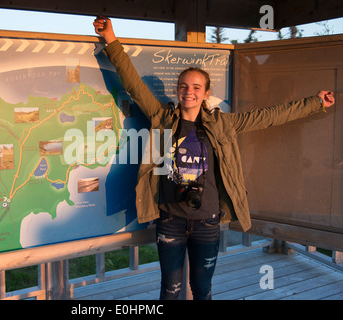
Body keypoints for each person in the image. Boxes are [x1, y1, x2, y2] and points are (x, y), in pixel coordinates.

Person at [93, 17, 335, 300]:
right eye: (183, 86)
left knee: (202, 289)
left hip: (207, 222)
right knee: (170, 290)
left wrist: (315, 102)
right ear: (177, 90)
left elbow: (269, 117)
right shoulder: (162, 119)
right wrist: (111, 38)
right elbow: (132, 83)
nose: (189, 91)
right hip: (170, 219)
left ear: (206, 93)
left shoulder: (222, 124)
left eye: (196, 87)